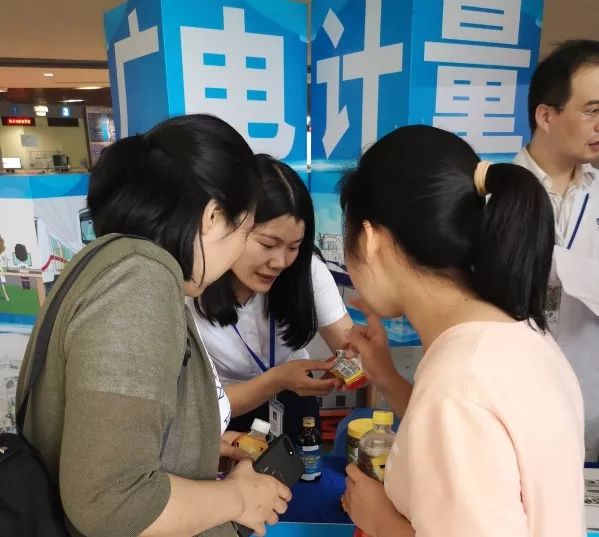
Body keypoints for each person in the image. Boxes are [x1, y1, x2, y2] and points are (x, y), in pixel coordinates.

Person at [16, 115, 291, 537]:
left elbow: (104, 434)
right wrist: (239, 499)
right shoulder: (139, 283)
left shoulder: (111, 264)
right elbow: (112, 502)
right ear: (213, 216)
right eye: (247, 229)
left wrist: (198, 446)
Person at [340, 125, 585, 537]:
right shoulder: (520, 335)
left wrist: (380, 522)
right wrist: (386, 377)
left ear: (369, 240)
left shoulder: (458, 385)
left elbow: (458, 414)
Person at [192, 154, 351, 441]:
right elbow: (194, 409)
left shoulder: (306, 271)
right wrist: (276, 380)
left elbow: (348, 347)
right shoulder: (192, 290)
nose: (280, 262)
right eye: (268, 244)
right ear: (229, 227)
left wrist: (351, 365)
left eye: (293, 247)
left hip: (294, 399)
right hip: (225, 409)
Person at [514, 39, 599, 461]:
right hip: (514, 396)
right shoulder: (492, 195)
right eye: (592, 111)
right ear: (546, 115)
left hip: (589, 403)